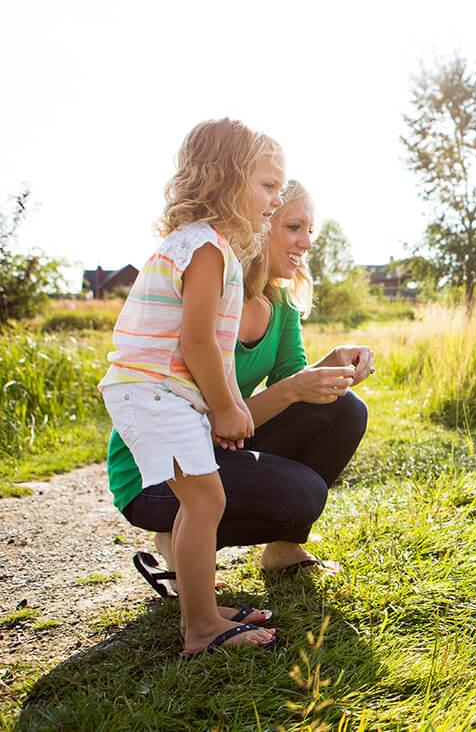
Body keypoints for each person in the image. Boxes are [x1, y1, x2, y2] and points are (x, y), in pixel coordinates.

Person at [106, 180, 372, 599]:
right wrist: (294, 390)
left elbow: (291, 391)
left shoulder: (280, 305)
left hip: (215, 443)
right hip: (160, 470)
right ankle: (173, 536)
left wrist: (332, 364)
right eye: (293, 227)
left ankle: (284, 549)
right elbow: (213, 418)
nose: (306, 242)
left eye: (310, 231)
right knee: (301, 494)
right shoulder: (212, 288)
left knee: (345, 409)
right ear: (261, 224)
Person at [99, 118, 282, 654]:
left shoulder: (211, 247)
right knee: (205, 500)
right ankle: (201, 628)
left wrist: (223, 405)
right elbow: (197, 342)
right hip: (152, 389)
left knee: (200, 501)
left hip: (161, 390)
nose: (276, 198)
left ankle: (202, 610)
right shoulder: (204, 248)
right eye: (267, 185)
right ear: (227, 179)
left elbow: (213, 348)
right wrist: (224, 407)